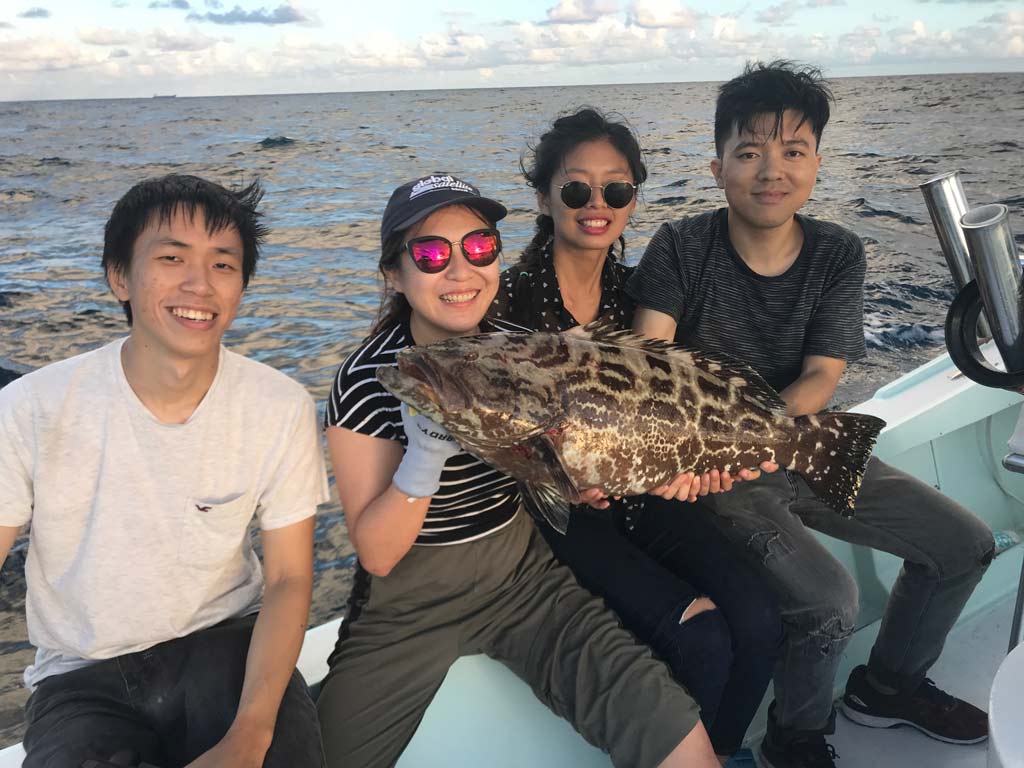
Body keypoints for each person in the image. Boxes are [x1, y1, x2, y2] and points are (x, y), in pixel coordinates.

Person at [628, 61, 995, 768]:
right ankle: (796, 737)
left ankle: (888, 688)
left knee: (963, 544)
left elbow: (824, 374)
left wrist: (769, 431)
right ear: (716, 167)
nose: (772, 170)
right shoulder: (680, 245)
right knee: (830, 601)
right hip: (714, 470)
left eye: (792, 151)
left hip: (800, 440)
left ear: (818, 164)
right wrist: (724, 446)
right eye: (749, 151)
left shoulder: (837, 251)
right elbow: (651, 363)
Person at [317, 172, 723, 768]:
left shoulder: (522, 344)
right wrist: (424, 456)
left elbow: (552, 470)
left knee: (682, 744)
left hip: (524, 583)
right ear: (394, 274)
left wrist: (590, 480)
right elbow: (377, 555)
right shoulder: (364, 380)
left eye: (479, 247)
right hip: (406, 607)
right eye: (431, 254)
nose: (460, 270)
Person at [0, 174, 329, 768]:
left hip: (224, 649)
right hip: (80, 680)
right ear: (119, 276)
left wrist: (249, 735)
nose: (200, 285)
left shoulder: (278, 406)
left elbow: (286, 581)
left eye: (223, 265)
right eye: (172, 257)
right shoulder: (30, 408)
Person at [490, 107, 783, 766]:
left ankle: (722, 755)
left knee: (762, 622)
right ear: (543, 197)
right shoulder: (507, 313)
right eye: (576, 189)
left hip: (645, 496)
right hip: (563, 519)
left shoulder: (639, 297)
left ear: (632, 198)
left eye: (616, 190)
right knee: (703, 637)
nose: (597, 205)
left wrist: (699, 465)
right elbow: (492, 435)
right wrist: (559, 475)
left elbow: (674, 414)